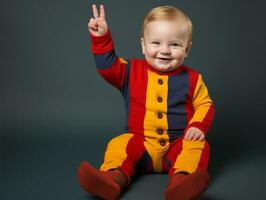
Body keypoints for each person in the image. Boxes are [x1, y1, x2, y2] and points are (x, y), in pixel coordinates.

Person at [78, 4, 215, 200]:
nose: (165, 50)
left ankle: (182, 181)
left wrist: (198, 126)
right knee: (120, 144)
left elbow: (205, 104)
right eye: (156, 43)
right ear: (143, 45)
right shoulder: (130, 71)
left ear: (187, 49)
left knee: (197, 147)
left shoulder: (193, 78)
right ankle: (112, 178)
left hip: (176, 144)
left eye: (175, 44)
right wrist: (101, 38)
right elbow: (108, 67)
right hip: (142, 145)